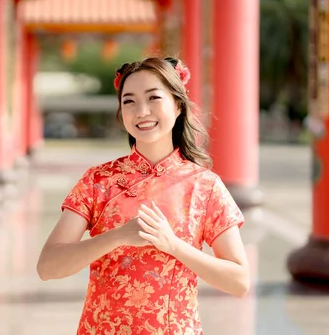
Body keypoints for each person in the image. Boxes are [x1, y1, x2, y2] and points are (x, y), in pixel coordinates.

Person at [37, 56, 249, 335]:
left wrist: (172, 245)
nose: (141, 111)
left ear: (177, 105)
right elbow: (47, 267)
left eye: (153, 98)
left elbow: (239, 281)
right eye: (129, 101)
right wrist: (117, 236)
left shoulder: (204, 186)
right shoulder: (98, 181)